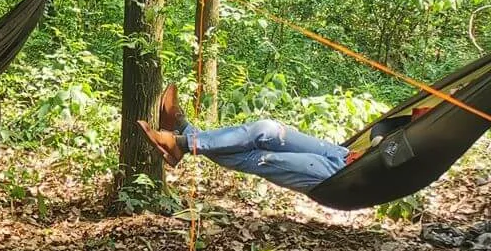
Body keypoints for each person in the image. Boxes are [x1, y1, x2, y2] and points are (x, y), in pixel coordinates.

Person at [137, 84, 364, 195]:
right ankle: (182, 134)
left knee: (259, 159)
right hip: (343, 154)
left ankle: (182, 139)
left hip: (342, 178)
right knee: (267, 129)